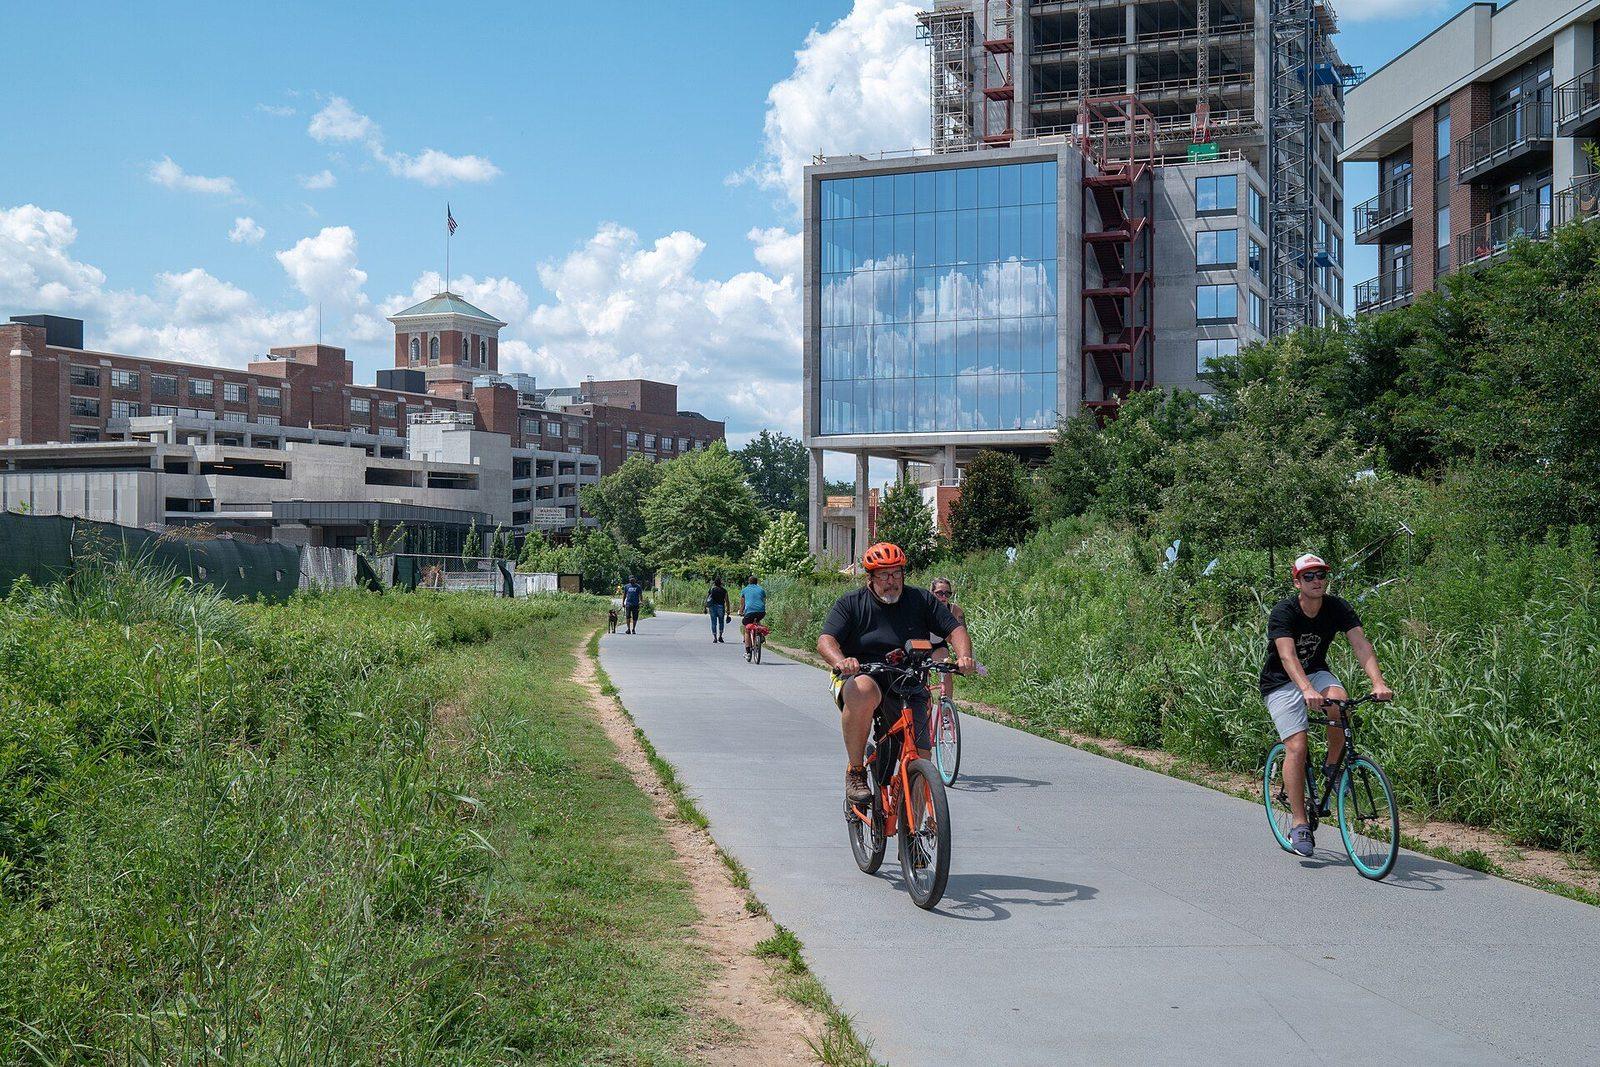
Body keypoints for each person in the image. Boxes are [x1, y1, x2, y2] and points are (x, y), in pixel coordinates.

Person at [817, 543, 974, 805]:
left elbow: (954, 630)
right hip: (868, 675)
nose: (892, 582)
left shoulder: (921, 600)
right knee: (862, 690)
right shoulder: (851, 604)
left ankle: (913, 839)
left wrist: (964, 656)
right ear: (870, 578)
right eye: (883, 575)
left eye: (897, 574)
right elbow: (826, 640)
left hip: (909, 679)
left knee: (921, 760)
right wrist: (842, 661)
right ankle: (856, 771)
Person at [1262, 553, 1394, 857]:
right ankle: (1299, 825)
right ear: (1297, 581)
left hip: (1316, 673)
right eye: (1308, 576)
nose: (1316, 581)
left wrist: (1378, 682)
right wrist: (1305, 689)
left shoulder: (1337, 607)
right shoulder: (1284, 611)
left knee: (1340, 703)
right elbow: (1287, 656)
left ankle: (1334, 767)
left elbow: (1360, 644)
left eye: (1321, 575)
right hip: (1280, 682)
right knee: (1297, 745)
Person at [928, 577, 967, 703]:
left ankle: (946, 710)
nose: (943, 597)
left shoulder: (955, 611)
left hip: (938, 645)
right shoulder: (924, 607)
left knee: (946, 673)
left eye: (947, 593)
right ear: (932, 593)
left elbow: (962, 636)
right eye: (939, 593)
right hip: (921, 644)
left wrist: (964, 657)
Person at [738, 575, 767, 661]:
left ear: (749, 582)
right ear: (757, 582)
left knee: (747, 629)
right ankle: (760, 634)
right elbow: (763, 601)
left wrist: (741, 611)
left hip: (750, 612)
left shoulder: (745, 590)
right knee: (757, 621)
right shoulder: (761, 590)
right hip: (761, 612)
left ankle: (748, 652)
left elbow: (742, 604)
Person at [706, 577, 729, 643]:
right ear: (721, 583)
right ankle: (720, 636)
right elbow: (727, 601)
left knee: (713, 622)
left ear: (714, 583)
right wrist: (728, 611)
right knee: (721, 622)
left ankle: (715, 638)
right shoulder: (724, 590)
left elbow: (707, 599)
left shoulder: (712, 590)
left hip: (712, 607)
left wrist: (705, 607)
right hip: (721, 607)